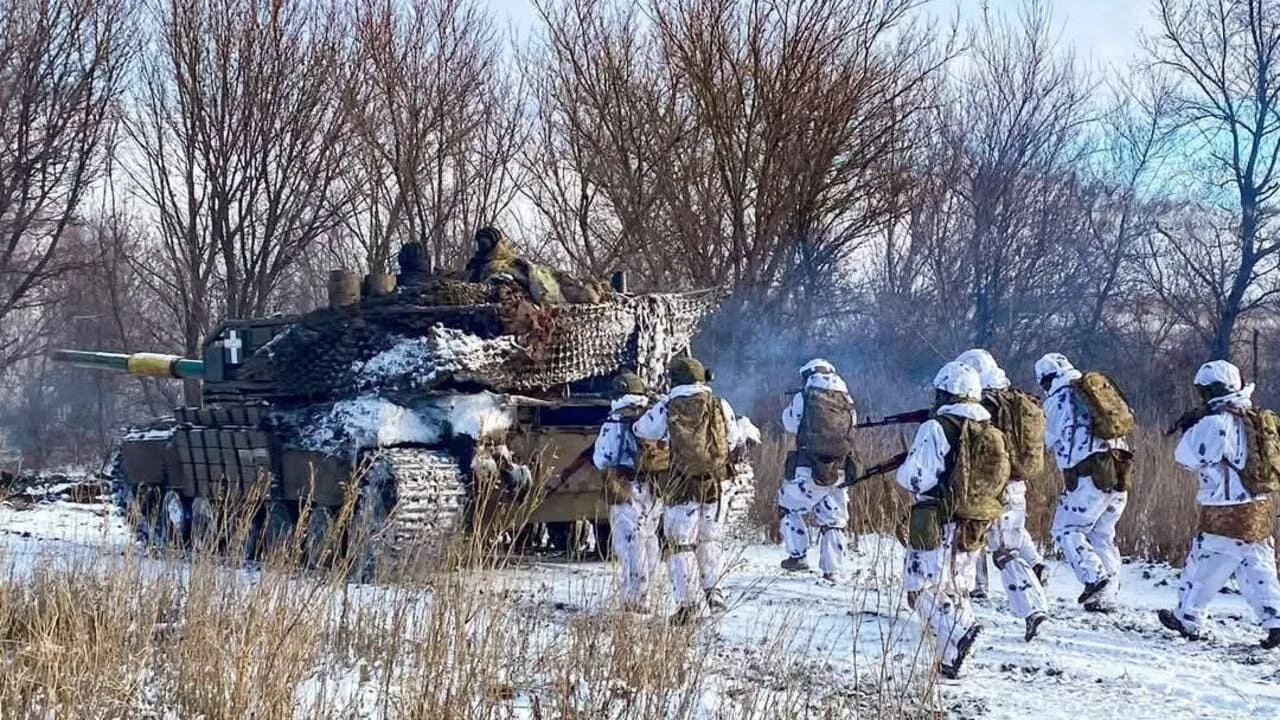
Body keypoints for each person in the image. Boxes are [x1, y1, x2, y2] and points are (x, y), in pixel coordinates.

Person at [896, 361, 1008, 678]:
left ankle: (961, 634)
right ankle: (953, 658)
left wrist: (903, 468)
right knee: (953, 591)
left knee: (919, 590)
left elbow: (917, 478)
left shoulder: (938, 427)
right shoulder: (989, 430)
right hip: (973, 522)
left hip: (936, 517)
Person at [1158, 360, 1280, 649]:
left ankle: (1188, 618)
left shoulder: (1216, 423)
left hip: (1225, 509)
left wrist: (1193, 427)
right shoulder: (1255, 419)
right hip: (1258, 507)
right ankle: (1276, 621)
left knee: (1203, 564)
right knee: (1257, 568)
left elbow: (1185, 457)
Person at [634, 356, 744, 626]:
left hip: (682, 485)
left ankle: (689, 604)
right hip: (717, 484)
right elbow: (733, 439)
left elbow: (642, 429)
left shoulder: (668, 406)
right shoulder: (720, 404)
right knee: (709, 540)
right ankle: (713, 593)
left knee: (679, 544)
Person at [956, 349, 1050, 641]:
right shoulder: (1011, 399)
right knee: (993, 541)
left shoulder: (986, 404)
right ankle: (977, 588)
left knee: (1004, 552)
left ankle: (1034, 610)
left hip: (996, 487)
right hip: (1015, 485)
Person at [1035, 353, 1132, 612]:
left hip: (1089, 477)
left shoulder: (1059, 399)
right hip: (1119, 472)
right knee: (1102, 534)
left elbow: (1047, 439)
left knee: (1066, 530)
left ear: (1047, 379)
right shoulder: (1094, 392)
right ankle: (1107, 595)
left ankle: (1094, 577)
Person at [581, 372, 663, 612]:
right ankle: (648, 595)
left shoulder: (615, 420)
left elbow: (601, 458)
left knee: (628, 544)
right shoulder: (651, 418)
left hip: (624, 490)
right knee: (649, 539)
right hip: (653, 487)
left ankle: (633, 599)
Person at [777, 359, 858, 581]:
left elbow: (790, 424)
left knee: (787, 505)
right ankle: (832, 570)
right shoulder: (846, 398)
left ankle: (798, 555)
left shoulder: (805, 397)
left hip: (808, 467)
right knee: (833, 520)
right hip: (839, 468)